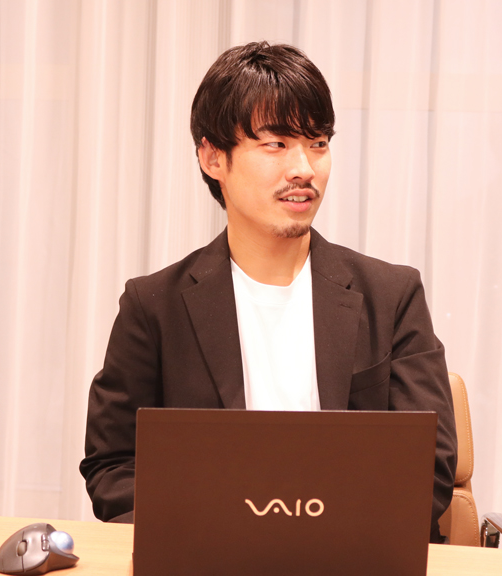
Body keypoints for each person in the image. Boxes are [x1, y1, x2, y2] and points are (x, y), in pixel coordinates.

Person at [80, 41, 457, 543]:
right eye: (276, 144)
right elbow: (113, 464)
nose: (304, 168)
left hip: (353, 556)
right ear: (213, 157)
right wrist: (197, 538)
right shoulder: (154, 307)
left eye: (317, 142)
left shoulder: (391, 296)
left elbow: (428, 466)